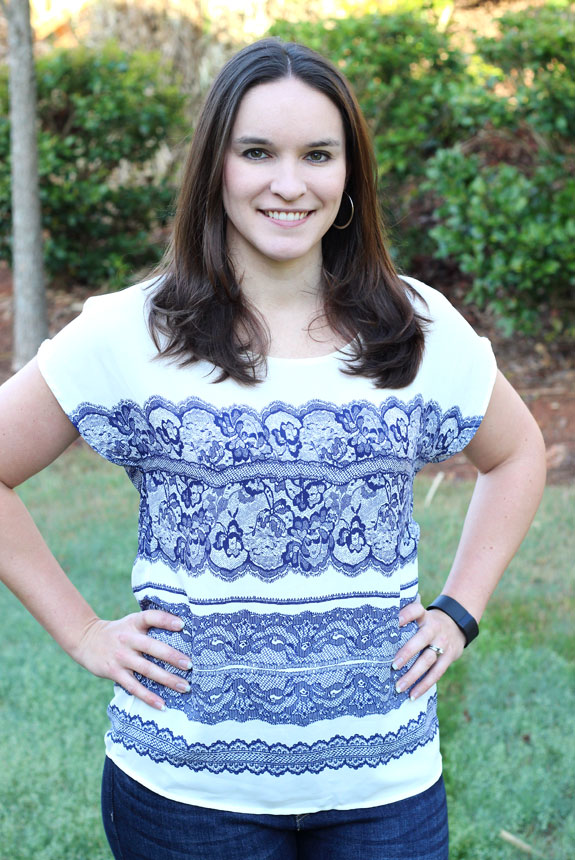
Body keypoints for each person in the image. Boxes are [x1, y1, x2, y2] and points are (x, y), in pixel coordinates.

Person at [0, 38, 546, 860]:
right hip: (183, 793)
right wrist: (83, 633)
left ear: (348, 175)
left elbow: (517, 454)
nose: (288, 184)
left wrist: (458, 613)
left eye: (316, 155)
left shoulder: (416, 327)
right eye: (257, 152)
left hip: (384, 789)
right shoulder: (129, 331)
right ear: (215, 166)